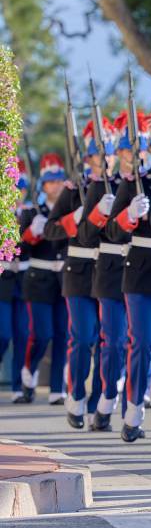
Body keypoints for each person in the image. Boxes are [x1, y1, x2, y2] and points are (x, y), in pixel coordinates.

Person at [107, 111, 151, 443]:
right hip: (140, 270)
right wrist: (129, 214)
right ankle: (134, 410)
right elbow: (111, 230)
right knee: (144, 342)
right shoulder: (135, 180)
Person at [43, 118, 114, 428]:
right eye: (99, 156)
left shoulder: (121, 187)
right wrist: (75, 216)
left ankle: (102, 403)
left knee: (107, 341)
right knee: (83, 336)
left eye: (108, 156)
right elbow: (50, 230)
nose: (104, 162)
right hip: (80, 270)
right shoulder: (74, 189)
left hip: (109, 269)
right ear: (88, 159)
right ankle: (76, 395)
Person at [78, 111, 145, 431]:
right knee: (115, 341)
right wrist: (99, 212)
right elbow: (87, 235)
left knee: (143, 342)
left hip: (144, 270)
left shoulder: (147, 185)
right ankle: (105, 397)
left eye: (139, 151)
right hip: (111, 269)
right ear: (119, 154)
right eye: (129, 151)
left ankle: (133, 401)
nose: (134, 157)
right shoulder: (103, 186)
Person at [19, 154, 68, 405]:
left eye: (59, 180)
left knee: (62, 334)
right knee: (42, 334)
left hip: (63, 278)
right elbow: (19, 251)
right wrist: (30, 233)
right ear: (43, 186)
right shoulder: (32, 213)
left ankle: (57, 389)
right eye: (50, 182)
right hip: (38, 279)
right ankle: (29, 371)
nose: (56, 186)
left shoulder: (68, 210)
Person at [1, 161, 31, 403]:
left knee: (22, 333)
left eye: (20, 189)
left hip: (24, 281)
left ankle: (19, 387)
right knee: (3, 334)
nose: (17, 194)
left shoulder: (31, 213)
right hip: (2, 281)